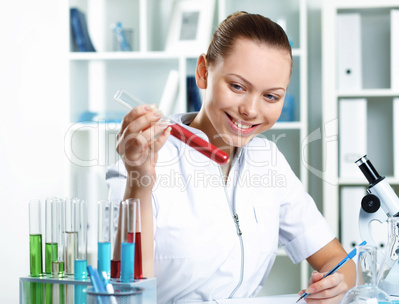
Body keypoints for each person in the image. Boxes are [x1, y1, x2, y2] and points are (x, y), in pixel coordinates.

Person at [106, 11, 355, 304]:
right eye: (237, 86)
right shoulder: (143, 157)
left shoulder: (268, 160)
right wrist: (139, 178)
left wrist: (336, 285)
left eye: (271, 96)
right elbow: (129, 292)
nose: (250, 109)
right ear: (203, 72)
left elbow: (341, 262)